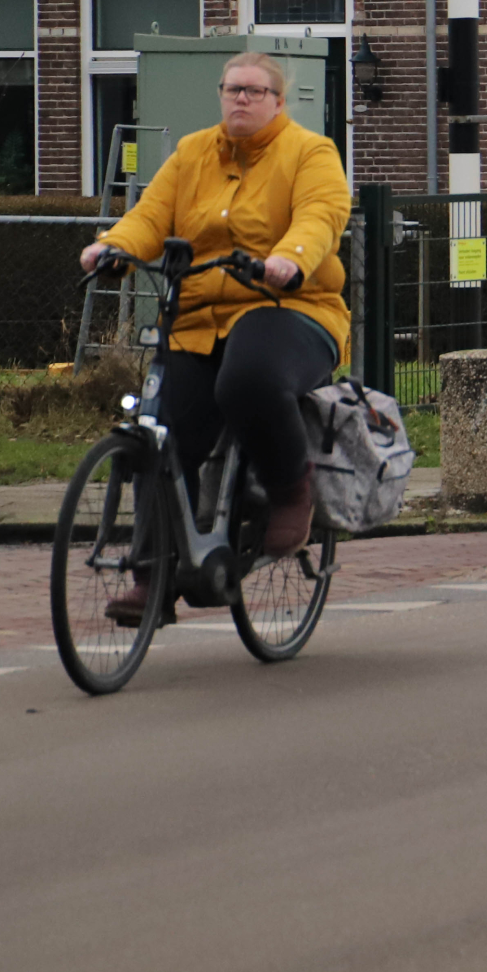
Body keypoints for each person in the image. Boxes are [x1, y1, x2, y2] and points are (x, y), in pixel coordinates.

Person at [80, 52, 349, 614]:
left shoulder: (310, 152)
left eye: (254, 91)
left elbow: (321, 214)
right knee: (161, 428)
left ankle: (288, 490)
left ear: (278, 100)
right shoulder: (192, 153)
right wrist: (115, 248)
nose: (241, 100)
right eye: (232, 90)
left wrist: (289, 259)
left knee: (248, 379)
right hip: (199, 319)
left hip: (290, 307)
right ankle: (152, 577)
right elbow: (152, 217)